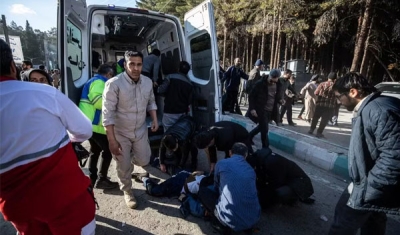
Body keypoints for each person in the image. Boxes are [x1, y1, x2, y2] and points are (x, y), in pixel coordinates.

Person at [0, 39, 96, 235]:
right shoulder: (45, 94)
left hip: (18, 210)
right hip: (68, 201)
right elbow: (85, 131)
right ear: (13, 67)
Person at [329, 73, 400, 235]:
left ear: (353, 92)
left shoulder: (378, 110)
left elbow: (395, 156)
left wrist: (369, 188)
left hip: (371, 185)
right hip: (374, 183)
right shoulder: (373, 107)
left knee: (342, 225)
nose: (338, 101)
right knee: (373, 222)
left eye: (339, 97)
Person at [102, 50, 159, 209]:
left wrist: (154, 120)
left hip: (140, 130)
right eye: (131, 64)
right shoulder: (113, 84)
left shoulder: (147, 82)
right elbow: (108, 114)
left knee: (144, 160)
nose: (135, 68)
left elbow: (151, 102)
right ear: (125, 65)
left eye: (139, 64)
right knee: (123, 165)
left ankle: (131, 160)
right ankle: (127, 191)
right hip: (121, 133)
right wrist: (112, 140)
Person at [197, 143, 260, 234]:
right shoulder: (251, 170)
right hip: (253, 219)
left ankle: (218, 222)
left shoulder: (222, 163)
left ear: (230, 152)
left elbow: (216, 186)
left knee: (203, 192)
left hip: (229, 221)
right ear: (245, 155)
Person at [79, 64, 119, 189]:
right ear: (108, 74)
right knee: (109, 150)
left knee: (95, 151)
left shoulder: (94, 81)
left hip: (90, 124)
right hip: (95, 125)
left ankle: (93, 178)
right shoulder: (99, 82)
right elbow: (98, 102)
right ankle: (102, 179)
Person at [247, 148, 314, 209]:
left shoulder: (271, 163)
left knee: (279, 192)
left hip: (301, 183)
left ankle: (293, 199)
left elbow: (275, 183)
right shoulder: (261, 158)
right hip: (287, 178)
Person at [248, 69, 283, 148]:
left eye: (275, 80)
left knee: (262, 127)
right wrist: (252, 109)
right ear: (269, 76)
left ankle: (249, 136)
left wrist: (281, 100)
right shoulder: (260, 84)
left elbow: (277, 97)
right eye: (272, 80)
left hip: (272, 110)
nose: (273, 82)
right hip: (261, 109)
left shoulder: (278, 84)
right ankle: (265, 148)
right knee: (265, 129)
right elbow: (251, 97)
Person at [158, 61, 193, 131]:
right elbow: (189, 101)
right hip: (182, 113)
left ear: (178, 68)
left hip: (169, 112)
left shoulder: (170, 77)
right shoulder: (190, 84)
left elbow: (160, 90)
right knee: (178, 132)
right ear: (187, 71)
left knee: (168, 133)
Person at [308, 72, 337, 138]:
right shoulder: (337, 86)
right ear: (335, 79)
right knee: (324, 120)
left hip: (320, 104)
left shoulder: (322, 84)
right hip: (330, 106)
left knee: (315, 117)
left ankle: (311, 129)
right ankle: (319, 133)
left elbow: (316, 93)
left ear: (328, 78)